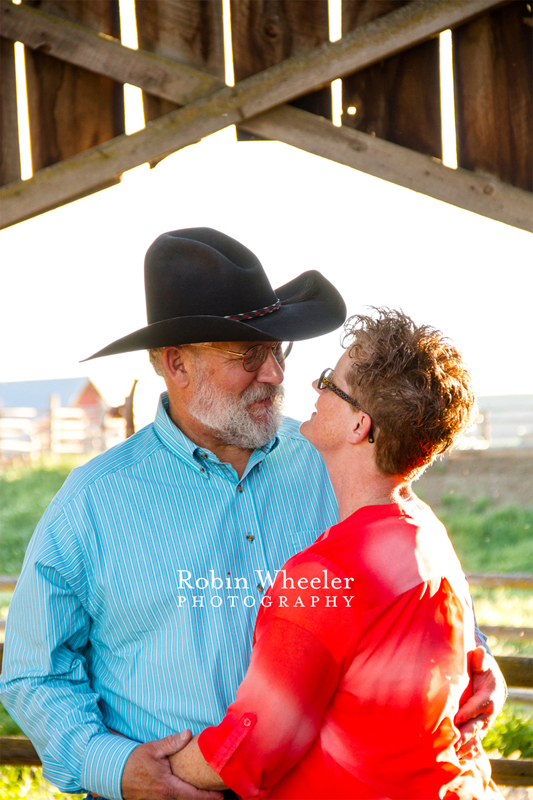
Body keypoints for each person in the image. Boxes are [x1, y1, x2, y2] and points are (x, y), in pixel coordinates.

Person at [0, 230, 504, 800]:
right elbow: (34, 672)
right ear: (177, 365)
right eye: (248, 357)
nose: (275, 373)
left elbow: (416, 585)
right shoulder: (93, 501)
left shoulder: (340, 460)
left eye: (276, 350)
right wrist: (117, 771)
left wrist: (476, 661)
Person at [166, 308, 504, 798]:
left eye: (330, 383)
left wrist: (154, 769)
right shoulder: (425, 531)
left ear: (358, 426)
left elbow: (251, 748)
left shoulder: (324, 574)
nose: (314, 391)